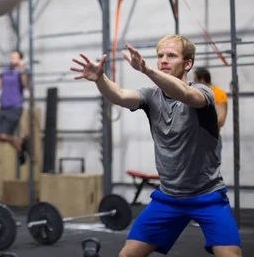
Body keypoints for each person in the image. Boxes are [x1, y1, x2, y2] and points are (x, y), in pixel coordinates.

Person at [70, 35, 241, 257]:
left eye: (171, 56)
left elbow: (186, 94)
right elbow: (121, 95)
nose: (163, 60)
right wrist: (100, 79)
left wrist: (148, 71)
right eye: (160, 56)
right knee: (127, 255)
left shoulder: (203, 92)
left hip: (207, 196)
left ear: (188, 63)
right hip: (169, 197)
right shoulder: (151, 95)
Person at [0, 50, 31, 164]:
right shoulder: (5, 72)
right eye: (11, 57)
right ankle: (20, 146)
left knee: (4, 135)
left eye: (15, 58)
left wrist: (23, 69)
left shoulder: (21, 72)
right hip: (3, 107)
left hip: (15, 107)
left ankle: (19, 144)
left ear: (20, 59)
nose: (12, 60)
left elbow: (25, 84)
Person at [193, 67, 228, 134]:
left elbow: (221, 120)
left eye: (195, 80)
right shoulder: (197, 93)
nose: (194, 83)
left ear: (202, 80)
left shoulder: (219, 94)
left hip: (211, 136)